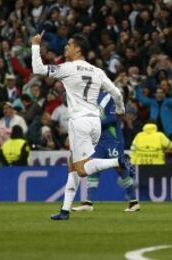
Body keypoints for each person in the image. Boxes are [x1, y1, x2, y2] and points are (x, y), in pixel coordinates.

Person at [31, 32, 128, 221]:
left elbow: (37, 68)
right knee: (72, 165)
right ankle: (65, 210)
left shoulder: (67, 68)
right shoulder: (97, 71)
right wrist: (120, 110)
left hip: (79, 122)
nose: (65, 47)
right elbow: (116, 93)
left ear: (78, 49)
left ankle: (118, 161)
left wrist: (35, 45)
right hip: (95, 122)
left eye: (69, 44)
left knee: (82, 169)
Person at [72, 92, 140, 213]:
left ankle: (134, 202)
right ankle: (88, 202)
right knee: (92, 167)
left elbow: (114, 118)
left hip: (113, 140)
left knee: (120, 170)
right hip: (100, 142)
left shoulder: (109, 97)